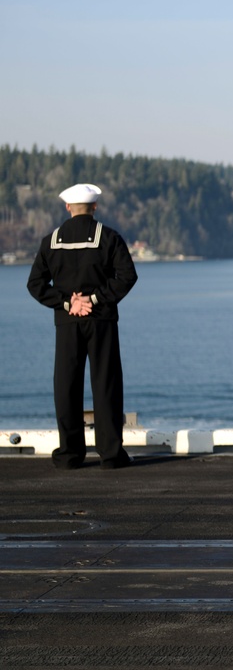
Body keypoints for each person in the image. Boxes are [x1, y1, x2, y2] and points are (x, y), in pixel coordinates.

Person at [26, 183, 138, 469]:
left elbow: (36, 284)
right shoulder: (109, 238)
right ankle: (111, 455)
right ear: (95, 207)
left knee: (66, 386)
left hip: (67, 323)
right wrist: (96, 298)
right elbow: (127, 277)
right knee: (106, 385)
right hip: (101, 321)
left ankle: (69, 454)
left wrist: (67, 303)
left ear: (67, 208)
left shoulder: (50, 241)